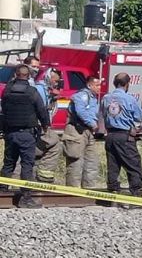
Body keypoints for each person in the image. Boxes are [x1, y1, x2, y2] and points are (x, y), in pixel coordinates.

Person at [0, 65, 51, 208]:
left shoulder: (7, 90)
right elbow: (41, 110)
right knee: (27, 165)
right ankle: (26, 198)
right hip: (26, 134)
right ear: (28, 76)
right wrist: (45, 125)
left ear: (15, 75)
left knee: (8, 163)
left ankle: (2, 190)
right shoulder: (32, 92)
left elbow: (3, 110)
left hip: (10, 133)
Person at [102, 73, 142, 206]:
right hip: (124, 136)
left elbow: (102, 114)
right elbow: (140, 116)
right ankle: (136, 195)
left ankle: (113, 194)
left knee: (113, 166)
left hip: (110, 136)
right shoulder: (129, 99)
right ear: (127, 84)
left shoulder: (106, 98)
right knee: (133, 164)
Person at [63, 75, 101, 188]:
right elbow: (81, 112)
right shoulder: (82, 96)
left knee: (91, 162)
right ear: (89, 85)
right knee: (75, 162)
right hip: (77, 130)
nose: (99, 87)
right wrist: (92, 124)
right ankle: (73, 190)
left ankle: (89, 188)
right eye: (97, 85)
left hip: (89, 132)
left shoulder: (93, 98)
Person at [33, 67, 62, 183]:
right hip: (39, 125)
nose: (56, 83)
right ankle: (44, 177)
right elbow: (40, 109)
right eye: (55, 81)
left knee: (37, 152)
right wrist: (45, 124)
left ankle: (35, 177)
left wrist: (53, 98)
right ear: (49, 78)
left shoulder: (46, 90)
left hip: (41, 126)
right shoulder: (39, 89)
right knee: (55, 145)